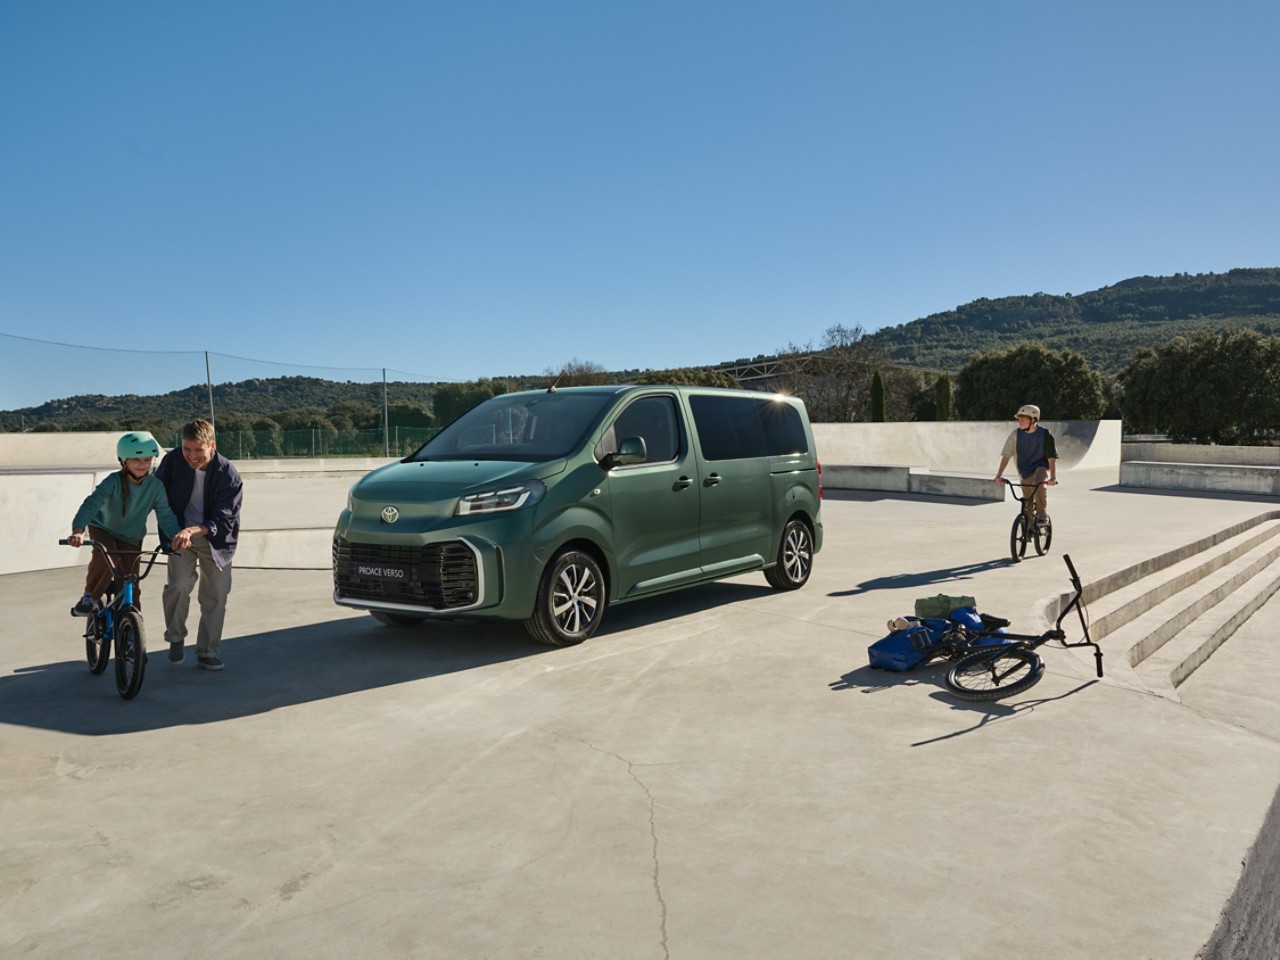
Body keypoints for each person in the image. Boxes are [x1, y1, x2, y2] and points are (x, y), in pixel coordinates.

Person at [67, 432, 188, 616]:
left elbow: (166, 517)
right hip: (103, 528)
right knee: (107, 553)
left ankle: (132, 634)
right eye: (136, 460)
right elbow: (91, 505)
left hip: (132, 536)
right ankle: (89, 597)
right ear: (124, 461)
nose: (143, 465)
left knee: (131, 583)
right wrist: (78, 530)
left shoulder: (155, 486)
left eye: (147, 460)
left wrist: (177, 535)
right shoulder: (113, 482)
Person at [156, 419, 244, 670]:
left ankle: (208, 651)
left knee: (216, 594)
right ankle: (176, 638)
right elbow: (155, 493)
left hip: (215, 540)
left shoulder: (228, 474)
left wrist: (193, 530)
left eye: (198, 450)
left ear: (212, 446)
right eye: (186, 449)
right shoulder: (172, 461)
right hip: (178, 535)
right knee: (179, 585)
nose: (191, 456)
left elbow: (223, 517)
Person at [994, 404, 1058, 528]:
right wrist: (999, 475)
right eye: (1019, 419)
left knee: (1039, 482)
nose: (1020, 421)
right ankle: (1028, 528)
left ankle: (1042, 515)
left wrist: (1053, 477)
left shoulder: (1045, 435)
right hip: (1024, 470)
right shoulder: (1015, 435)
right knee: (1027, 501)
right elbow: (1006, 455)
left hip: (1041, 466)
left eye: (1023, 418)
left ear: (1033, 420)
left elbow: (1051, 457)